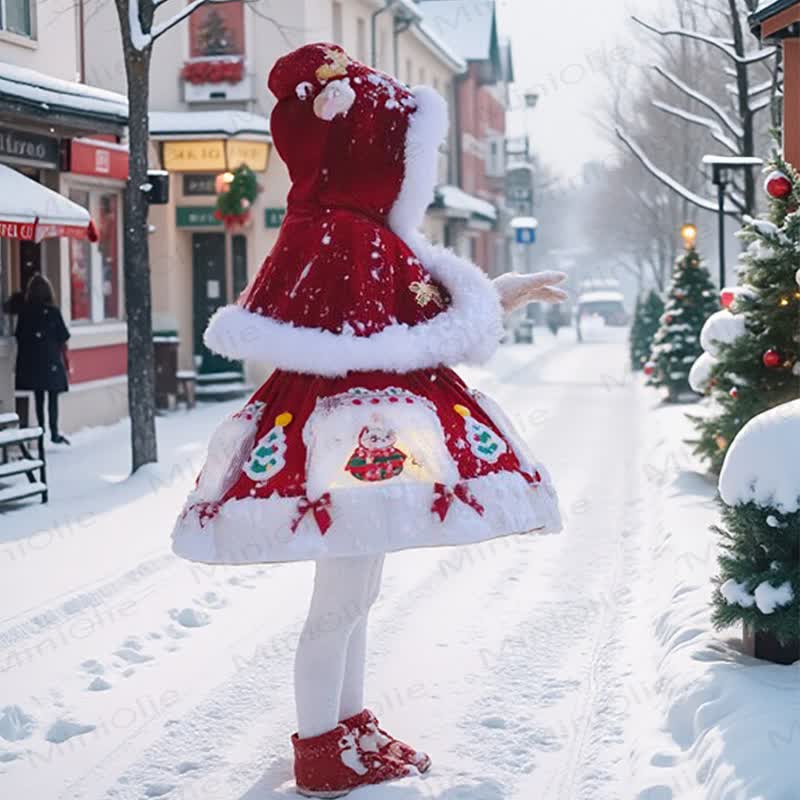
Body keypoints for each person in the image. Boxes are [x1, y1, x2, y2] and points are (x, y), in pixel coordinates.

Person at [171, 44, 567, 798]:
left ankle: (346, 726)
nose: (400, 167)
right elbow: (413, 307)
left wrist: (499, 290)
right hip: (339, 446)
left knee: (359, 588)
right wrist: (486, 297)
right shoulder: (333, 230)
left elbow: (425, 302)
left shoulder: (364, 235)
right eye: (393, 149)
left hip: (365, 442)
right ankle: (321, 746)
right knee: (342, 596)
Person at [14, 274, 71, 444]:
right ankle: (54, 432)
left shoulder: (25, 312)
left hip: (32, 363)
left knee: (39, 397)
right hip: (51, 360)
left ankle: (41, 430)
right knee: (52, 398)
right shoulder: (52, 312)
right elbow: (63, 335)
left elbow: (19, 335)